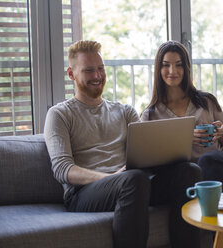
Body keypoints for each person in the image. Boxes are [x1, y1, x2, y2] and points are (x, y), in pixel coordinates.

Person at [44, 40, 201, 248]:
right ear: (71, 74)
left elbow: (144, 153)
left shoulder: (125, 111)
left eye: (100, 69)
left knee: (189, 171)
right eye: (89, 70)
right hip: (84, 193)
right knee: (133, 180)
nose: (98, 76)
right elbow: (63, 169)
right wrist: (111, 178)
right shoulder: (60, 114)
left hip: (133, 183)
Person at [141, 40, 223, 248]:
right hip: (198, 180)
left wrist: (221, 130)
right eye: (166, 64)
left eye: (179, 64)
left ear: (187, 68)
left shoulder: (206, 100)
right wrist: (184, 137)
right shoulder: (152, 114)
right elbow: (153, 161)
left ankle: (219, 238)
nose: (173, 70)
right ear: (159, 69)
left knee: (209, 160)